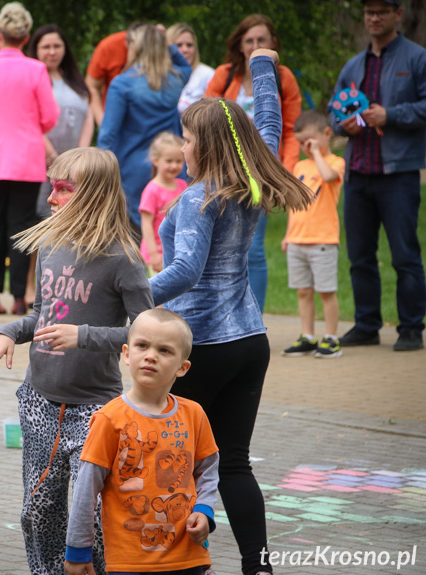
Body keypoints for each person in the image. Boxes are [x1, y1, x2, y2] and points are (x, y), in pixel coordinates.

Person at [149, 50, 312, 575]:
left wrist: (127, 297)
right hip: (250, 342)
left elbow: (185, 273)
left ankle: (173, 563)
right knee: (234, 463)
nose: (182, 146)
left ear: (210, 144)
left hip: (204, 349)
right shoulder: (250, 178)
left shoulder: (200, 198)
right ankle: (257, 567)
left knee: (174, 462)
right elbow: (265, 122)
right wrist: (262, 66)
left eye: (188, 139)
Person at [0, 147, 154, 575]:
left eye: (63, 189)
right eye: (51, 187)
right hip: (40, 399)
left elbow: (147, 334)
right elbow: (42, 313)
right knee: (38, 510)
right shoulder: (52, 245)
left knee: (90, 515)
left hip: (95, 408)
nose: (51, 199)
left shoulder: (123, 259)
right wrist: (8, 332)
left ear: (93, 194)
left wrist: (84, 336)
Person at [64, 309, 219, 575]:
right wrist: (78, 551)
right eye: (142, 346)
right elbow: (85, 490)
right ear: (126, 353)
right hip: (129, 563)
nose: (150, 356)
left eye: (165, 350)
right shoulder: (109, 419)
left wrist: (205, 511)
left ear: (182, 367)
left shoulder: (194, 415)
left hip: (189, 557)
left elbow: (208, 470)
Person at [332, 0, 426, 352]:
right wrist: (341, 124)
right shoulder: (354, 64)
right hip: (358, 172)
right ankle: (367, 324)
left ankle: (412, 328)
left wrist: (392, 114)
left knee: (404, 254)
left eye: (381, 12)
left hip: (398, 173)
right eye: (369, 12)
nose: (373, 18)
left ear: (398, 14)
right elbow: (333, 108)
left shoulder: (417, 58)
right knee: (360, 256)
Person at [0, 2, 60, 316]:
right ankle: (20, 296)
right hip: (25, 158)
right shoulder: (36, 69)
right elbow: (49, 117)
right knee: (21, 226)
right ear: (27, 37)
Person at [204, 14, 303, 313]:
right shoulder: (225, 73)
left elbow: (291, 129)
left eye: (262, 40)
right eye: (249, 40)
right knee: (218, 243)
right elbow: (206, 116)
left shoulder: (283, 77)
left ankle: (252, 314)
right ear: (240, 44)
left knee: (254, 246)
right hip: (223, 169)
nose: (255, 45)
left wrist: (284, 170)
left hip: (262, 168)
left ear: (273, 43)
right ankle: (222, 309)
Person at [97, 24, 191, 232]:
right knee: (169, 234)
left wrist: (100, 176)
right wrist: (166, 42)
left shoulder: (122, 84)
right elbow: (185, 65)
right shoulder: (175, 80)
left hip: (131, 171)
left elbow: (107, 134)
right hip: (171, 168)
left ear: (135, 48)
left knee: (137, 238)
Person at [281, 111, 346, 359]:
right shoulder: (300, 166)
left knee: (325, 291)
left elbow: (329, 177)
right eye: (300, 143)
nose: (304, 147)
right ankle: (308, 336)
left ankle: (331, 338)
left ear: (326, 134)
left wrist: (318, 153)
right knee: (303, 291)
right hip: (298, 240)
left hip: (323, 240)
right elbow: (294, 205)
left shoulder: (335, 162)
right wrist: (288, 235)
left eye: (309, 141)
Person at [27, 24, 94, 219]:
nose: (52, 52)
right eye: (46, 47)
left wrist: (79, 156)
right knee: (42, 214)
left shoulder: (75, 80)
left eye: (57, 46)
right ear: (36, 50)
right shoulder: (33, 81)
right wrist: (55, 160)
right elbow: (33, 123)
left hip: (74, 166)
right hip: (43, 165)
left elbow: (88, 114)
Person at [139, 132, 187, 275]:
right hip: (158, 253)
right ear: (156, 161)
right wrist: (154, 254)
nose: (174, 165)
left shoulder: (183, 185)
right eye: (169, 161)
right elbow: (146, 224)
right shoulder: (152, 190)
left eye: (178, 161)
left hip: (177, 250)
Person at [84, 22, 143, 127]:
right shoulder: (109, 47)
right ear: (127, 42)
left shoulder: (160, 47)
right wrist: (102, 122)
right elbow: (91, 86)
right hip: (114, 120)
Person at [167, 23, 215, 115]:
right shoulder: (159, 76)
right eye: (179, 45)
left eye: (189, 45)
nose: (185, 49)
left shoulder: (207, 74)